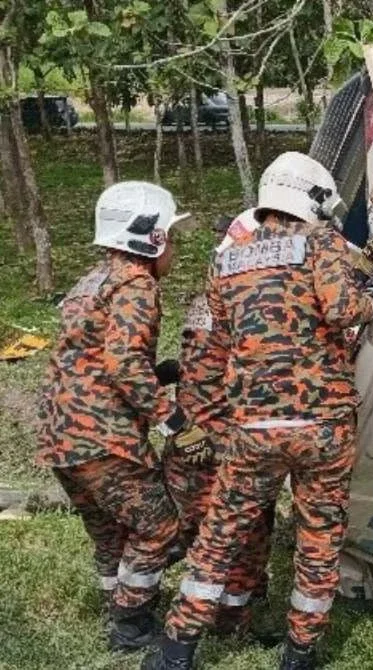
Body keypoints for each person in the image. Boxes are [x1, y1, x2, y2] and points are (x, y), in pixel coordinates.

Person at [142, 152, 373, 670]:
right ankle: (299, 653)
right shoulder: (322, 242)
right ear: (314, 199)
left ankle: (175, 650)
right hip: (322, 428)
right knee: (317, 537)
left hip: (253, 429)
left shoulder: (226, 260)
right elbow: (343, 310)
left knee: (220, 535)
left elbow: (214, 347)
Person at [37, 181, 189, 651]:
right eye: (172, 237)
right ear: (152, 238)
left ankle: (117, 606)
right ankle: (131, 623)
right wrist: (172, 417)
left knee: (110, 534)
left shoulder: (93, 280)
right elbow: (122, 363)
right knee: (159, 527)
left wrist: (157, 373)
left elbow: (90, 357)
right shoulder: (137, 284)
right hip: (103, 439)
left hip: (62, 438)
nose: (175, 249)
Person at [161, 211, 275, 637]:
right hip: (217, 447)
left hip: (192, 441)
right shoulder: (239, 300)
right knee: (241, 540)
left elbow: (200, 368)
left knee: (207, 533)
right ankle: (229, 622)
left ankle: (236, 600)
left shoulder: (208, 296)